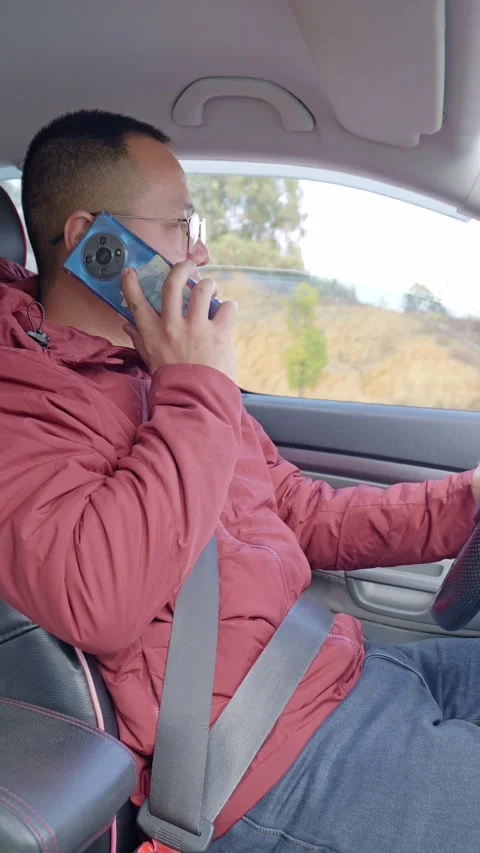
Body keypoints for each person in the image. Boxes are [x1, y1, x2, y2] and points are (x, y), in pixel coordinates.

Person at [0, 109, 480, 853]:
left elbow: (301, 510)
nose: (201, 251)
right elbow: (99, 595)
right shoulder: (24, 397)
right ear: (91, 238)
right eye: (180, 227)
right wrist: (194, 384)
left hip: (346, 670)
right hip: (268, 757)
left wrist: (465, 500)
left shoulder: (155, 366)